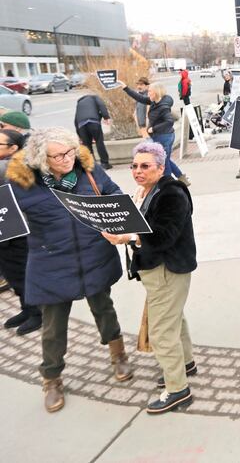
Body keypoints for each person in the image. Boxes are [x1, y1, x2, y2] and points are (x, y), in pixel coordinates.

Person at [7, 128, 134, 413]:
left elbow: (113, 193)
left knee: (104, 308)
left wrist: (116, 214)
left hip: (93, 254)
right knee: (53, 325)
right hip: (51, 261)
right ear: (42, 158)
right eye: (58, 156)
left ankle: (118, 355)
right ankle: (51, 377)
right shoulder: (23, 183)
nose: (66, 159)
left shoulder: (89, 171)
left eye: (69, 152)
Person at [101, 141, 197, 414]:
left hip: (168, 269)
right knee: (174, 318)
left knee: (161, 332)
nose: (138, 171)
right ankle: (186, 364)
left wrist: (129, 236)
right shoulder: (147, 191)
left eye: (145, 166)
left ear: (161, 167)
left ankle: (178, 390)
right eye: (134, 166)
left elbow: (164, 235)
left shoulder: (172, 194)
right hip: (156, 270)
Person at [0, 129, 41, 335]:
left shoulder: (12, 165)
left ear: (13, 148)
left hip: (18, 229)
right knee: (11, 273)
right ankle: (26, 308)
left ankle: (37, 313)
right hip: (4, 228)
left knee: (23, 272)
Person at [121, 82, 188, 184]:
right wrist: (126, 88)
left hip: (164, 136)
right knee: (166, 160)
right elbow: (140, 98)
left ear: (156, 92)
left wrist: (154, 128)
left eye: (150, 91)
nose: (148, 94)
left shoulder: (163, 107)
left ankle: (168, 183)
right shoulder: (154, 102)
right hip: (162, 136)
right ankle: (181, 178)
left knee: (163, 161)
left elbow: (169, 121)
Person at [74, 92, 112, 169]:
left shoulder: (79, 104)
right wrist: (106, 117)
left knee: (87, 146)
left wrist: (79, 135)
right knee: (99, 142)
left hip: (81, 126)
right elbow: (101, 105)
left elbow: (75, 120)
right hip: (93, 122)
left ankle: (92, 165)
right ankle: (105, 163)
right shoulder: (94, 97)